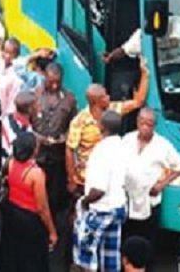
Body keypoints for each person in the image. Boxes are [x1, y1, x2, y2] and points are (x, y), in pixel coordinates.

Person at [67, 58, 150, 198]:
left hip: (109, 177)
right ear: (96, 102)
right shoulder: (79, 122)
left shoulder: (113, 109)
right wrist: (72, 178)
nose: (108, 97)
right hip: (86, 178)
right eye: (104, 96)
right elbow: (70, 150)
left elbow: (138, 101)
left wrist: (144, 74)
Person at [122, 107, 180, 259]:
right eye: (142, 123)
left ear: (154, 126)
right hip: (127, 200)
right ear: (137, 122)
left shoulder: (162, 145)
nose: (145, 127)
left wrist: (161, 184)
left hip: (149, 203)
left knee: (146, 243)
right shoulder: (127, 139)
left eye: (149, 124)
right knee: (127, 240)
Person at [0, 132, 58, 272]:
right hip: (30, 221)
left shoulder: (10, 163)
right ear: (33, 150)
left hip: (11, 214)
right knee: (31, 260)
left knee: (11, 256)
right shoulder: (36, 174)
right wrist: (52, 231)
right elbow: (43, 208)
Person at [74, 111, 128, 272]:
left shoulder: (102, 151)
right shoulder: (123, 145)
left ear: (101, 127)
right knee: (110, 255)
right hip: (118, 206)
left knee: (87, 256)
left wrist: (84, 201)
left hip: (101, 209)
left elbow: (99, 190)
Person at [32, 62, 77, 217]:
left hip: (59, 155)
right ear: (44, 77)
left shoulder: (69, 99)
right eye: (51, 81)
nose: (54, 85)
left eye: (58, 81)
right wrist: (37, 138)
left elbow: (73, 126)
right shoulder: (35, 95)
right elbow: (26, 123)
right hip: (38, 154)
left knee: (57, 196)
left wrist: (63, 137)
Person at [0, 91, 37, 159]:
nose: (39, 107)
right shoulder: (16, 132)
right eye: (36, 105)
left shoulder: (8, 118)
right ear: (30, 109)